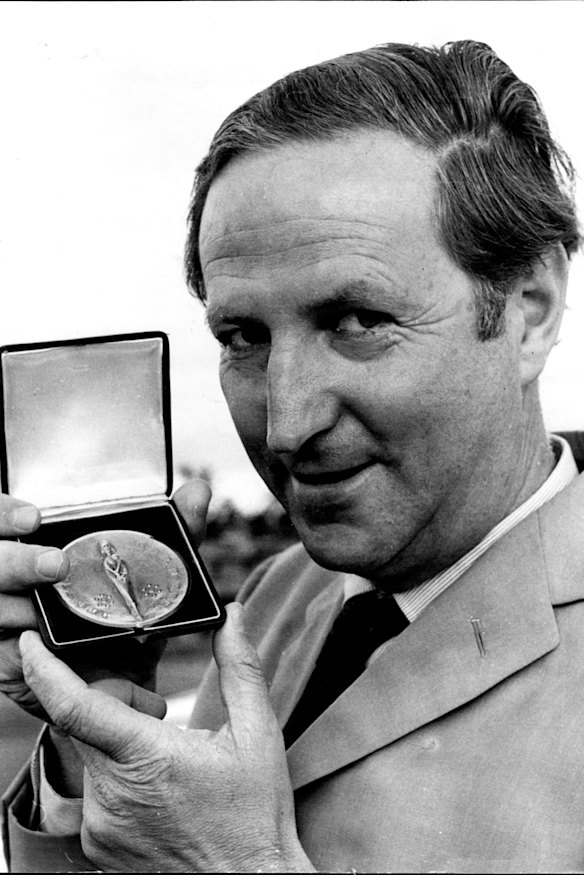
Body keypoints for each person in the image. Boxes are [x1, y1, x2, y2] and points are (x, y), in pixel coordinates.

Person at [2, 38, 584, 873]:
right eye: (243, 337)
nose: (284, 424)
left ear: (529, 308)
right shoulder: (280, 595)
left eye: (356, 320)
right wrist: (93, 739)